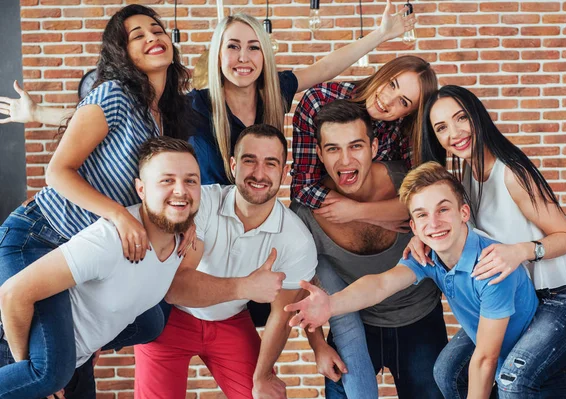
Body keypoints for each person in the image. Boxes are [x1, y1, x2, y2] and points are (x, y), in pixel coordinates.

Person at [1, 6, 416, 325]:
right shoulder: (193, 106)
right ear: (217, 55)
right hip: (203, 236)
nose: (243, 57)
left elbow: (325, 67)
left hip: (250, 234)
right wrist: (42, 113)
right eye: (232, 47)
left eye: (253, 47)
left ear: (264, 56)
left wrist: (378, 35)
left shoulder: (277, 92)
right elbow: (111, 115)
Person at [0, 4, 195, 399]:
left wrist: (187, 226)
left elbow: (165, 185)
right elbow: (57, 171)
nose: (152, 37)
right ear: (122, 52)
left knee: (154, 319)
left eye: (156, 30)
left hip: (82, 263)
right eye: (137, 35)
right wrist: (119, 216)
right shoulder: (113, 95)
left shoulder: (165, 116)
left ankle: (63, 357)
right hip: (40, 240)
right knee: (47, 375)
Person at [285, 161, 540, 399]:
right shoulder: (429, 255)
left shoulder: (491, 265)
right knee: (447, 371)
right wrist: (331, 304)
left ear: (464, 212)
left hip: (536, 369)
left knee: (509, 384)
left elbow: (485, 359)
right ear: (414, 227)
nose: (434, 223)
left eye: (443, 209)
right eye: (422, 215)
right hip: (499, 356)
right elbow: (381, 284)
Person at [409, 85, 566, 399]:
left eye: (461, 118)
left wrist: (521, 251)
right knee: (448, 371)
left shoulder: (511, 173)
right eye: (442, 127)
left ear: (477, 117)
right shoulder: (465, 178)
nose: (454, 132)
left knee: (513, 379)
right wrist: (419, 240)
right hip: (523, 297)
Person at [0, 137, 200, 399]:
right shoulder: (110, 241)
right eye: (166, 180)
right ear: (141, 189)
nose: (180, 190)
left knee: (153, 322)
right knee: (50, 372)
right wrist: (35, 375)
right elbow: (13, 294)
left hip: (74, 360)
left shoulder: (184, 238)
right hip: (18, 346)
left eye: (191, 181)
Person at [134, 124, 317, 399]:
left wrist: (262, 377)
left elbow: (282, 316)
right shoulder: (202, 203)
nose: (258, 173)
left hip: (230, 322)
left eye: (271, 163)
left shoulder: (297, 240)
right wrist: (246, 287)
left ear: (284, 171)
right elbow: (177, 288)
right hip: (172, 319)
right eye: (249, 160)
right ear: (233, 165)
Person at [290, 100, 446, 399]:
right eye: (333, 148)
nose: (345, 160)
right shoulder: (306, 212)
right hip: (354, 321)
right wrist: (318, 346)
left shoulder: (410, 184)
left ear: (374, 147)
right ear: (320, 153)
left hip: (420, 319)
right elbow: (305, 286)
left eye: (356, 146)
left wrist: (357, 210)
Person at [291, 55, 437, 226]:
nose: (388, 101)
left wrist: (359, 212)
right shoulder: (319, 100)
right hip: (323, 223)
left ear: (407, 114)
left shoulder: (404, 129)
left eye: (403, 102)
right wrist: (381, 218)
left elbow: (424, 195)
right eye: (391, 85)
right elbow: (303, 187)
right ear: (381, 74)